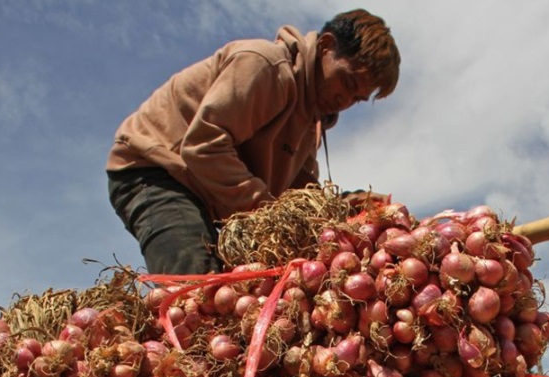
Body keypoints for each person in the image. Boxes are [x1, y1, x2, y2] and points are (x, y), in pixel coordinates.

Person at [107, 9, 400, 274]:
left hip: (206, 194)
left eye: (357, 99)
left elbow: (297, 196)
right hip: (156, 171)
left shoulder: (310, 120)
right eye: (347, 83)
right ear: (326, 46)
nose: (344, 101)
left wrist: (346, 206)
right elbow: (204, 147)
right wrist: (272, 213)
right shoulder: (266, 67)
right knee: (197, 288)